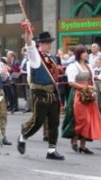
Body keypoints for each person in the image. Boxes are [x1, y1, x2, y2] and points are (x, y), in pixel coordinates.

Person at [17, 20, 64, 160]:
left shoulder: (52, 58)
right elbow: (29, 45)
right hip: (40, 94)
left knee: (54, 122)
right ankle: (24, 136)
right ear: (40, 44)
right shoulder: (35, 57)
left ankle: (51, 150)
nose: (49, 45)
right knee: (37, 122)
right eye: (47, 42)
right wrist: (27, 31)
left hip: (53, 93)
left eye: (50, 42)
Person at [62, 45, 101, 154]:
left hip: (89, 95)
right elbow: (71, 82)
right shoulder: (73, 66)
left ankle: (83, 145)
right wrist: (85, 87)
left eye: (86, 52)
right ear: (78, 54)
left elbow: (92, 82)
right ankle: (74, 138)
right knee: (81, 119)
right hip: (77, 95)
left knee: (89, 120)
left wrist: (93, 90)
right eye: (84, 52)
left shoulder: (89, 66)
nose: (86, 54)